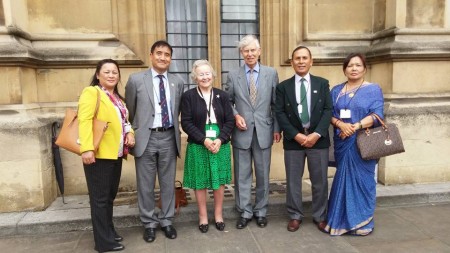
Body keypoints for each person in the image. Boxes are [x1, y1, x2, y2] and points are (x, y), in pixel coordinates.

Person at [125, 40, 184, 242]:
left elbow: (177, 111)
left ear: (170, 59)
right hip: (146, 138)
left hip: (168, 136)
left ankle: (167, 220)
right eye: (159, 53)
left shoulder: (178, 82)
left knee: (168, 183)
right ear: (151, 55)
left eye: (167, 54)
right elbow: (130, 111)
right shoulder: (135, 80)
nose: (162, 57)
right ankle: (149, 223)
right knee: (146, 184)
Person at [223, 35, 281, 229]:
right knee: (242, 175)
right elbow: (227, 102)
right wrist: (235, 115)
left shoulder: (271, 73)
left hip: (264, 131)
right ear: (242, 53)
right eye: (245, 51)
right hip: (241, 132)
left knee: (263, 174)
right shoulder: (233, 75)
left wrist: (277, 128)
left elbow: (276, 104)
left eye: (252, 50)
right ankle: (245, 211)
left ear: (259, 51)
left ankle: (261, 211)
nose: (249, 54)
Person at [324, 53, 384, 236]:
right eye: (350, 65)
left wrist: (355, 126)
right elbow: (329, 113)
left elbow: (377, 115)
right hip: (342, 141)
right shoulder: (335, 90)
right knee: (343, 180)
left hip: (363, 143)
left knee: (363, 182)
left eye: (358, 65)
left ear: (364, 69)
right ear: (344, 69)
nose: (354, 69)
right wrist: (341, 124)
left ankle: (362, 221)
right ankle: (340, 220)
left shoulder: (373, 89)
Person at [274, 46, 332, 233]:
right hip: (294, 141)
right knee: (293, 181)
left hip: (318, 140)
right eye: (297, 58)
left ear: (311, 61)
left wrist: (316, 134)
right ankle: (295, 215)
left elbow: (328, 111)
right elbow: (279, 112)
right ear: (291, 62)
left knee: (320, 180)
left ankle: (320, 216)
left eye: (304, 58)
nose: (301, 61)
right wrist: (296, 135)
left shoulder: (322, 84)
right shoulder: (283, 87)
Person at [79, 59, 135, 252]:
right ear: (98, 75)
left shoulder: (117, 98)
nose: (111, 75)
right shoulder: (92, 92)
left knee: (109, 198)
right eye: (107, 72)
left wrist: (130, 133)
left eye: (115, 72)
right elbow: (84, 120)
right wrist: (87, 148)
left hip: (115, 154)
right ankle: (103, 242)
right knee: (100, 199)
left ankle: (109, 232)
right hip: (98, 155)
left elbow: (124, 122)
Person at [180, 60, 235, 233]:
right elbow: (186, 123)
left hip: (220, 145)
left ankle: (218, 215)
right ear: (195, 77)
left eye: (207, 73)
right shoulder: (188, 96)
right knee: (200, 182)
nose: (205, 77)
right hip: (198, 146)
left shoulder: (222, 95)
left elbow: (230, 120)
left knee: (218, 182)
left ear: (213, 75)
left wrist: (220, 139)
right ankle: (203, 216)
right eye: (201, 74)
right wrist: (204, 140)